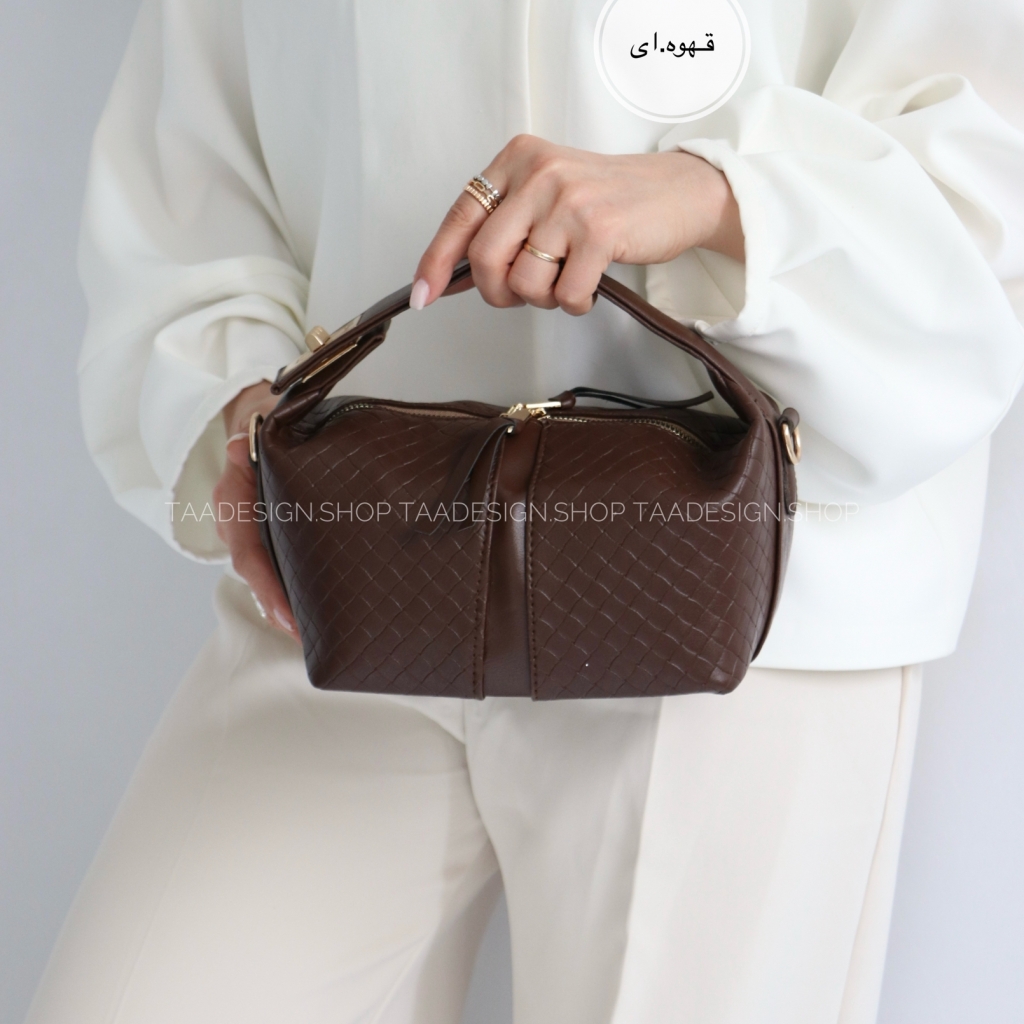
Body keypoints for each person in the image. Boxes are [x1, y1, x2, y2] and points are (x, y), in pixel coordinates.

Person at [27, 0, 1023, 1022]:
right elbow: (198, 148)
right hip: (349, 563)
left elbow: (988, 144)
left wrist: (722, 193)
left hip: (735, 602)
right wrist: (236, 403)